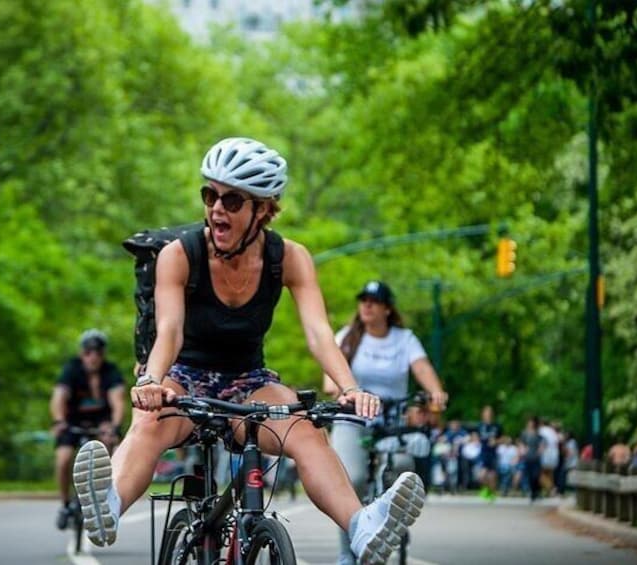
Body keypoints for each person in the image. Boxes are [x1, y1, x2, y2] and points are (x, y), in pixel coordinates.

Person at [72, 137, 426, 565]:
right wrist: (150, 380)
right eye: (210, 195)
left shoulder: (289, 258)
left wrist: (349, 387)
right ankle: (108, 504)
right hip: (186, 377)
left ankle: (362, 526)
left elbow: (318, 333)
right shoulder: (179, 255)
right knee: (150, 420)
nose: (217, 208)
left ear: (263, 209)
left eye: (233, 200)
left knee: (307, 429)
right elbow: (169, 330)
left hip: (248, 382)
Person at [322, 280, 447, 563]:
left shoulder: (404, 339)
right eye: (363, 299)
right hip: (352, 417)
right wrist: (336, 387)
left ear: (387, 309)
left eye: (374, 301)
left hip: (391, 419)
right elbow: (330, 375)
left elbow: (423, 368)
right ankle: (346, 554)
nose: (366, 305)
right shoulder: (348, 336)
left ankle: (390, 519)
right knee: (350, 479)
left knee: (403, 468)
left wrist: (435, 393)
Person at [51, 329, 125, 530]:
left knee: (110, 449)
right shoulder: (71, 369)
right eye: (88, 352)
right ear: (81, 353)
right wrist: (58, 421)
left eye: (98, 353)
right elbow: (59, 397)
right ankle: (65, 504)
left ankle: (100, 498)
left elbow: (118, 402)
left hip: (101, 423)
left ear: (103, 354)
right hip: (72, 421)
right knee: (64, 458)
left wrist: (115, 426)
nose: (93, 357)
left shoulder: (111, 371)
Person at [477, 405, 502, 499]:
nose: (487, 414)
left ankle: (492, 493)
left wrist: (496, 441)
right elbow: (476, 436)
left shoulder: (497, 426)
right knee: (481, 475)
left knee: (492, 475)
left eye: (489, 412)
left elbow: (504, 438)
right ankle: (486, 490)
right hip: (483, 452)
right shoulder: (480, 426)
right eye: (486, 412)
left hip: (493, 453)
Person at [520, 417, 544, 501]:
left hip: (536, 457)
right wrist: (523, 451)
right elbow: (522, 443)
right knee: (529, 475)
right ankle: (533, 493)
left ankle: (537, 491)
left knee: (536, 475)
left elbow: (542, 443)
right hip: (528, 457)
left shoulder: (538, 434)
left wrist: (540, 451)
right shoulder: (524, 434)